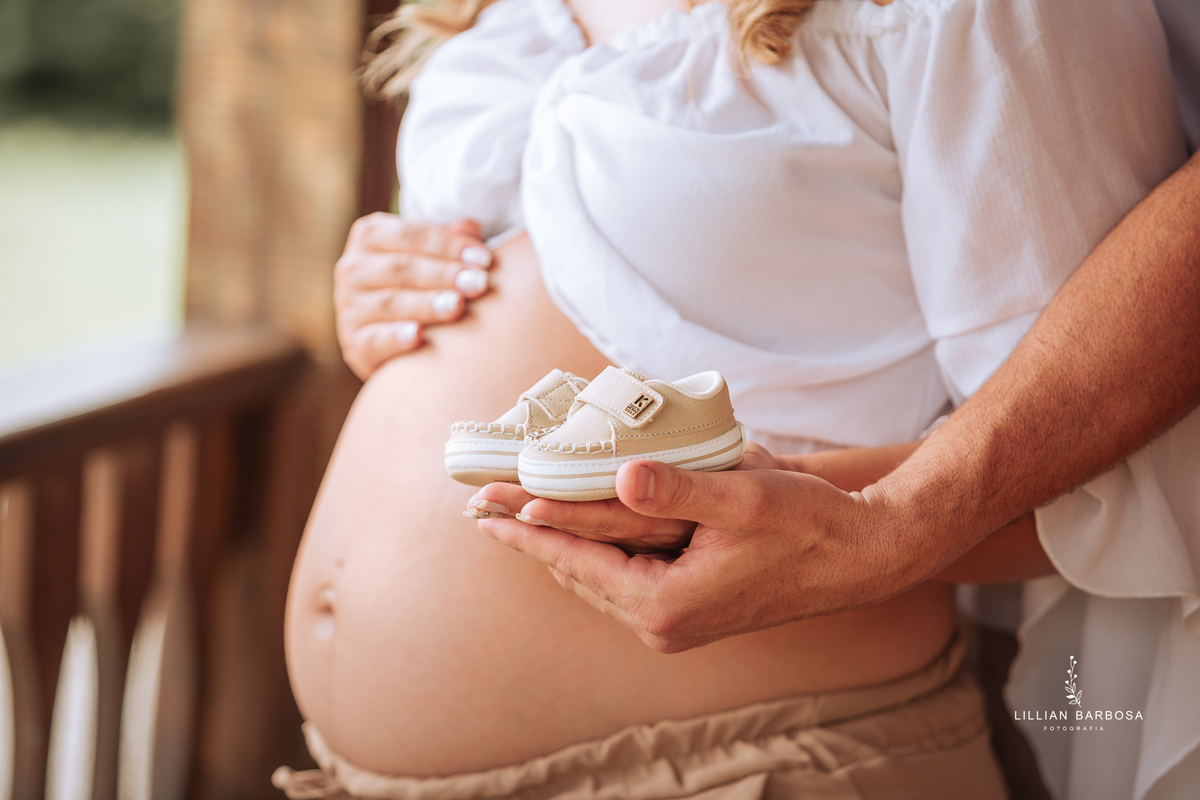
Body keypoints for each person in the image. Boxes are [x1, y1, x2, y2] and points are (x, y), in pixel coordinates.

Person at [275, 0, 1183, 797]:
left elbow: (1106, 466)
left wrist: (835, 520)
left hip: (759, 760)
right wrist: (397, 315)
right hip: (349, 768)